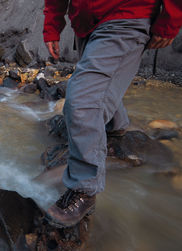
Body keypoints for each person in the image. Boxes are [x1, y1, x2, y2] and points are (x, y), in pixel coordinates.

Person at [43, 0, 182, 227]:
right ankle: (116, 128)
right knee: (99, 85)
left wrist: (170, 20)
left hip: (128, 13)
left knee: (82, 102)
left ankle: (83, 189)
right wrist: (52, 27)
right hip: (86, 21)